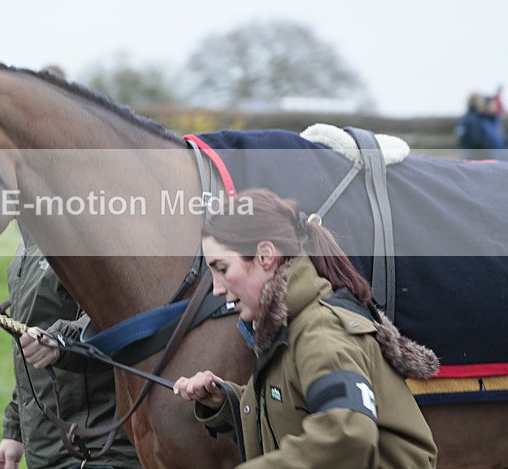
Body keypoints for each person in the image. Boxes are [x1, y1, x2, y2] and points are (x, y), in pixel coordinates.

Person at [173, 188, 439, 468]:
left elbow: (349, 436)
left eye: (223, 268)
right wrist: (226, 401)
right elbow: (290, 413)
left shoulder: (320, 331)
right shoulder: (289, 327)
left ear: (265, 256)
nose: (216, 289)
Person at [0, 228, 141, 469]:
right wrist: (15, 430)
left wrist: (61, 341)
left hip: (98, 450)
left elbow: (117, 315)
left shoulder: (95, 231)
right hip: (49, 450)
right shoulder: (31, 236)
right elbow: (32, 344)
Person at [457, 89, 505, 160]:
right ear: (476, 103)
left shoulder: (475, 119)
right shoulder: (474, 120)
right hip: (480, 158)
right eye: (481, 102)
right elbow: (478, 142)